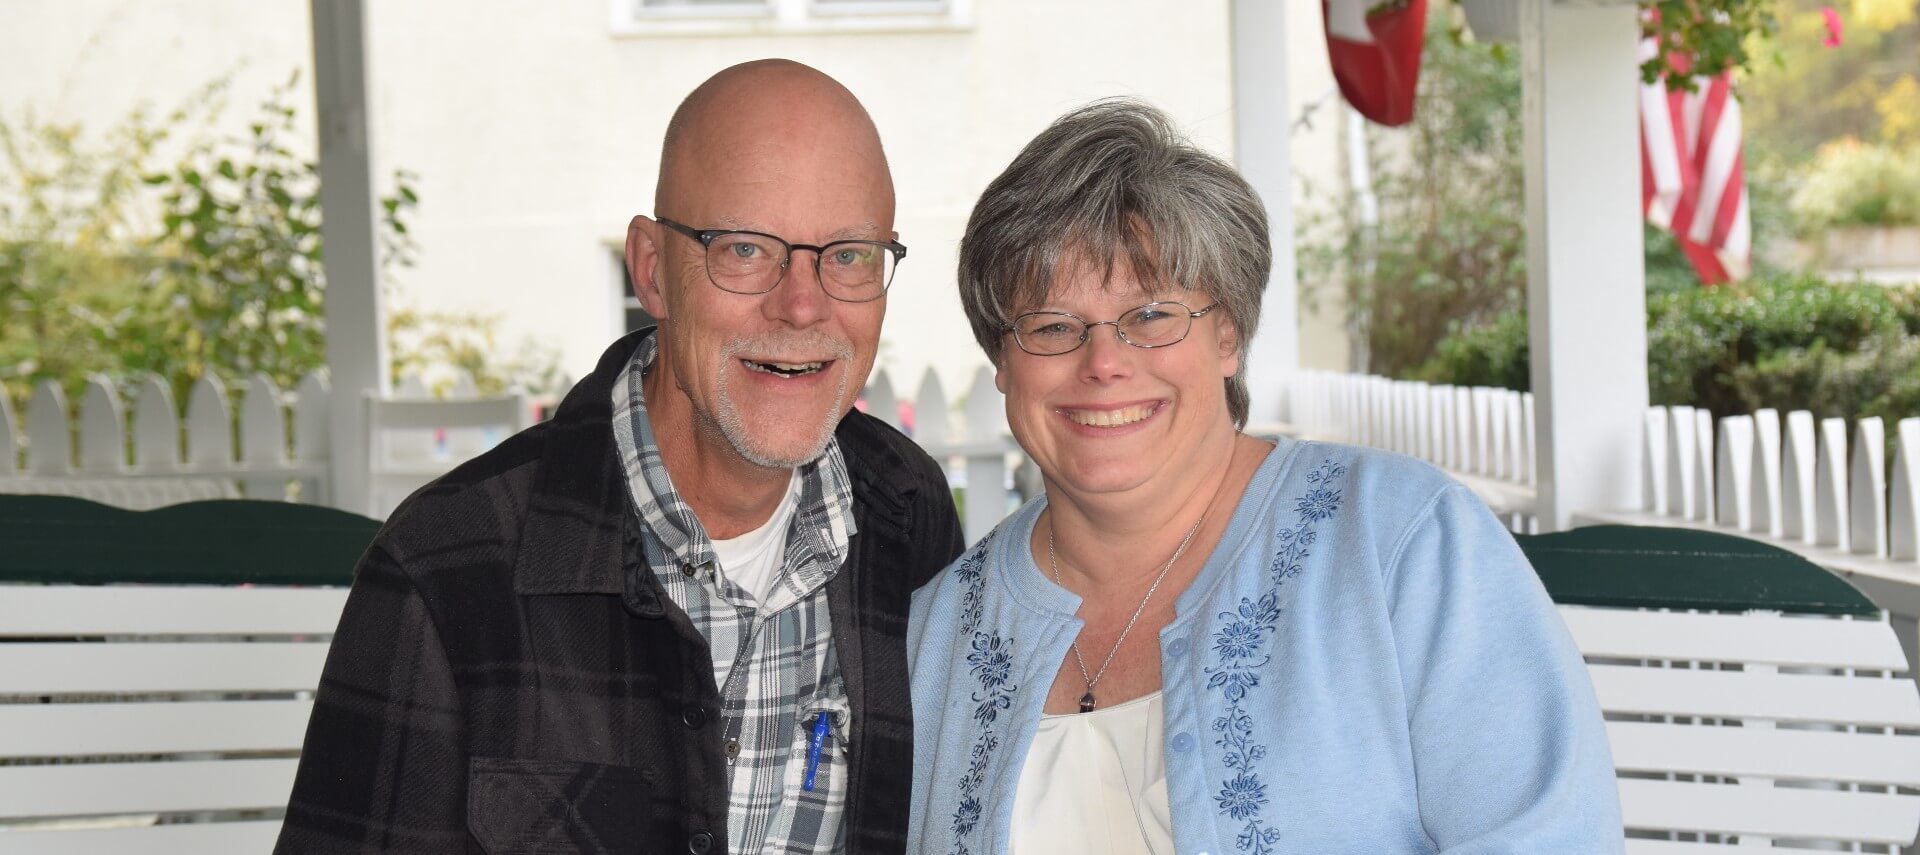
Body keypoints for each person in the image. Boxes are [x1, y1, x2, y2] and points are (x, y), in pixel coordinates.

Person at [276, 60, 965, 855]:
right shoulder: (445, 570)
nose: (802, 304)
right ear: (651, 271)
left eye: (848, 255)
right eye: (744, 249)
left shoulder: (905, 518)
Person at [906, 99, 1622, 854]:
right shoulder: (939, 632)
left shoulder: (1405, 546)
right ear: (1003, 361)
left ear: (1228, 335)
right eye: (1052, 325)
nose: (1105, 362)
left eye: (1151, 315)